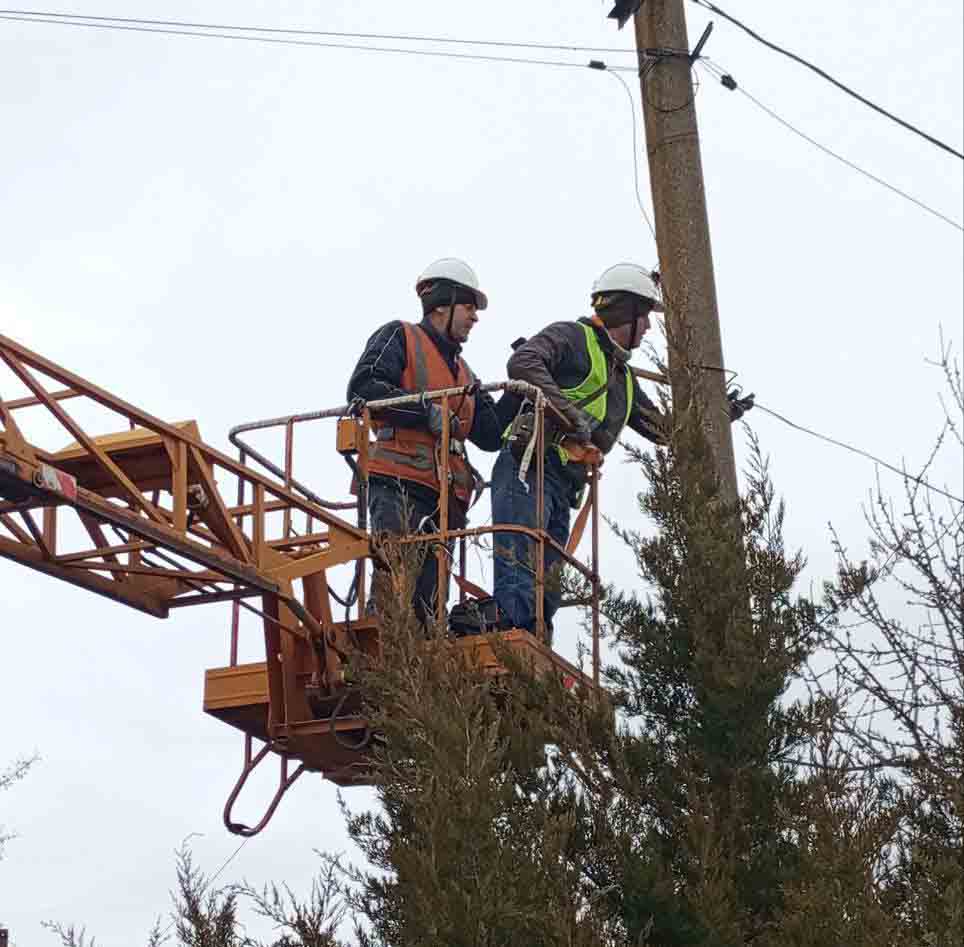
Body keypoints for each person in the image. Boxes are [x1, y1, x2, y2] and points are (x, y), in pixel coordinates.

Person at [491, 262, 752, 637]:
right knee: (520, 564)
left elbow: (664, 433)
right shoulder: (571, 336)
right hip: (529, 465)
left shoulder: (624, 381)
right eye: (644, 317)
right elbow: (523, 361)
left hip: (564, 485)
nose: (647, 327)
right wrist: (567, 414)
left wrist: (717, 415)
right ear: (624, 312)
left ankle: (534, 651)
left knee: (547, 581)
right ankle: (510, 644)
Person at [347, 257, 510, 625]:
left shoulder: (465, 374)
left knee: (428, 608)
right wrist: (424, 411)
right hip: (399, 484)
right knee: (396, 589)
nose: (475, 317)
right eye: (469, 307)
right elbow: (364, 388)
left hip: (444, 498)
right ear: (442, 304)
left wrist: (519, 389)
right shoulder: (400, 336)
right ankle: (383, 662)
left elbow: (490, 433)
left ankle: (417, 674)